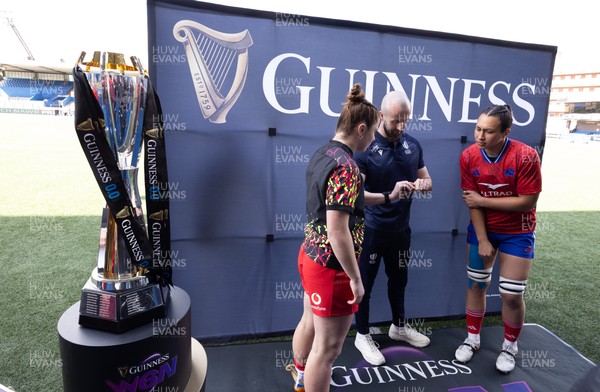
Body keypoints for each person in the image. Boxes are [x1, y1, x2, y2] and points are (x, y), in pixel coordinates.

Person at [287, 84, 401, 392]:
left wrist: (388, 197)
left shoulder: (325, 152)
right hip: (332, 268)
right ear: (361, 128)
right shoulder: (348, 166)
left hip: (310, 255)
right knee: (327, 352)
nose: (374, 138)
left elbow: (348, 199)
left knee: (308, 322)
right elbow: (337, 229)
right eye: (373, 131)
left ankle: (301, 377)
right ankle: (307, 379)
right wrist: (355, 278)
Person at [455, 104, 542, 373]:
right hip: (483, 229)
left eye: (488, 131)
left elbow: (527, 201)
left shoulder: (526, 156)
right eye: (478, 128)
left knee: (511, 294)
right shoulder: (469, 156)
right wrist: (482, 239)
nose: (480, 136)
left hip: (518, 231)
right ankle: (472, 339)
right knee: (476, 284)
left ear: (506, 132)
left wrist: (483, 198)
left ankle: (509, 346)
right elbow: (473, 203)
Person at [351, 90, 433, 366]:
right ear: (381, 116)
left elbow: (427, 179)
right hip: (372, 229)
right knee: (365, 286)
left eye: (405, 121)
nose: (401, 127)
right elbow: (355, 195)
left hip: (401, 229)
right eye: (396, 120)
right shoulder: (366, 148)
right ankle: (362, 335)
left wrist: (423, 185)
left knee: (399, 281)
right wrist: (390, 195)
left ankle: (398, 327)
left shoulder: (413, 145)